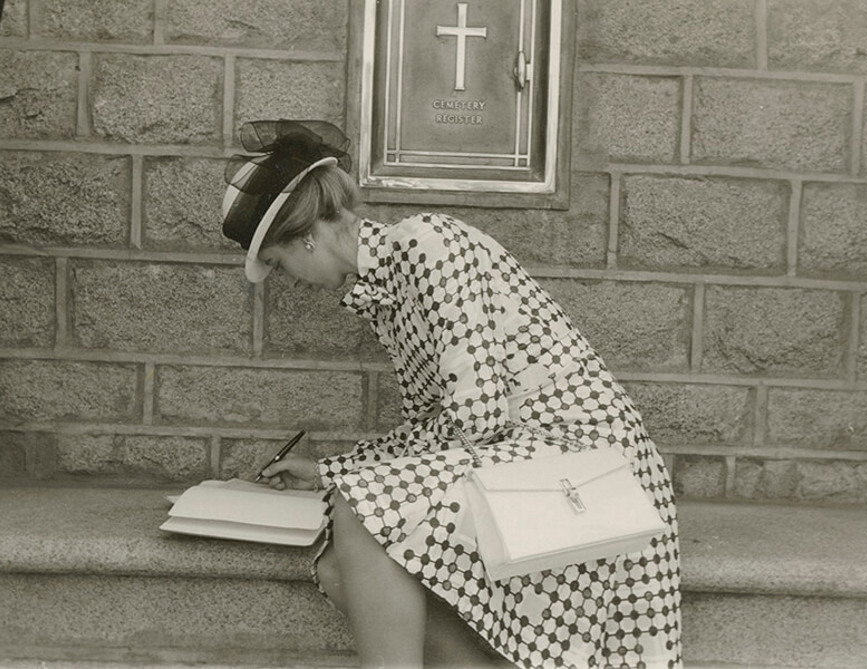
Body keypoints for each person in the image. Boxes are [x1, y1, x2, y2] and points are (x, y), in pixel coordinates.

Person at [222, 120, 681, 669]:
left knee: (362, 511)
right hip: (514, 454)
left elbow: (477, 414)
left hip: (580, 458)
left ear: (305, 236)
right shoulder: (384, 292)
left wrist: (349, 481)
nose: (287, 278)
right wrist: (330, 472)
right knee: (334, 565)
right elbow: (432, 426)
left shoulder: (426, 241)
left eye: (276, 262)